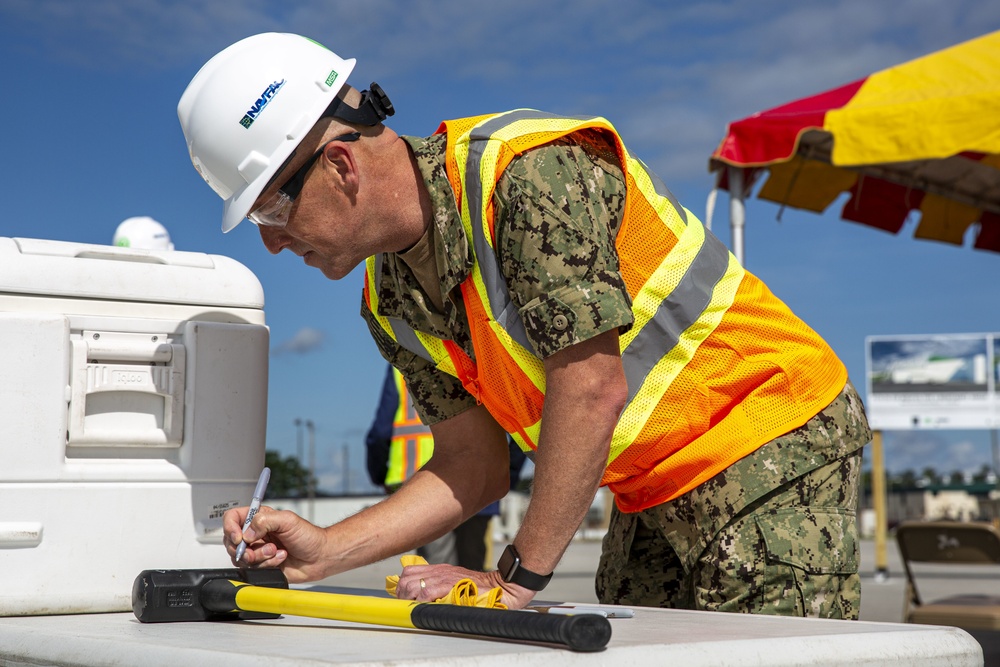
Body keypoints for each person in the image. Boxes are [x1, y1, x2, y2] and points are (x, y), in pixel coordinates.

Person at [180, 33, 871, 617]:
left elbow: (594, 387)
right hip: (650, 485)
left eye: (271, 211)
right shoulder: (390, 299)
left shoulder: (525, 175)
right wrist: (328, 548)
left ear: (339, 165)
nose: (271, 244)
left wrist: (513, 578)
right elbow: (471, 466)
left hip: (771, 438)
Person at [366, 365, 525, 570]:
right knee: (472, 573)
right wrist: (507, 473)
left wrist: (380, 474)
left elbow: (380, 431)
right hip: (482, 480)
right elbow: (523, 419)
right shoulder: (487, 350)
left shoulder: (402, 360)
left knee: (436, 571)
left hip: (426, 486)